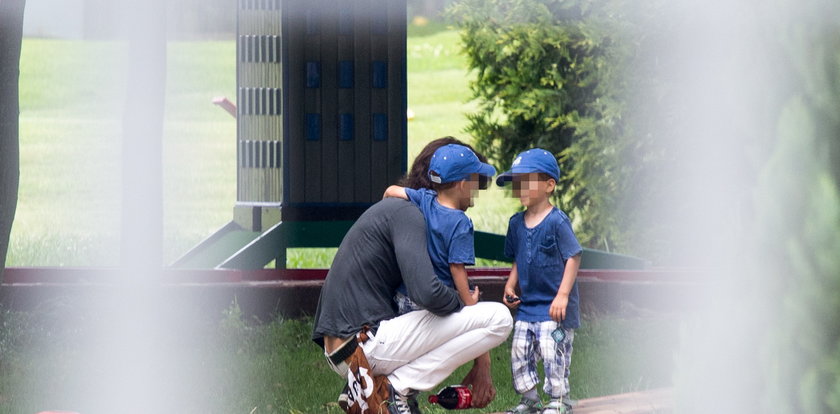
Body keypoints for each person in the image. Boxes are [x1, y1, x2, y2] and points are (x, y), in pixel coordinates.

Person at [312, 142, 513, 414]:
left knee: (447, 316)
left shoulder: (404, 209)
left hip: (348, 345)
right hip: (361, 344)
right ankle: (396, 389)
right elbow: (427, 293)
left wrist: (482, 360)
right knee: (498, 318)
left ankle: (394, 394)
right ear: (457, 184)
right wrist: (463, 302)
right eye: (473, 181)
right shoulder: (409, 216)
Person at [497, 149, 583, 414]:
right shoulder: (516, 223)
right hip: (528, 307)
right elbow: (518, 258)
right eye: (516, 182)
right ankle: (530, 399)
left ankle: (559, 400)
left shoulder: (557, 221)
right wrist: (511, 284)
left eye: (527, 181)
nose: (520, 187)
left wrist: (563, 296)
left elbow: (574, 257)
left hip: (554, 308)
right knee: (519, 352)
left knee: (552, 350)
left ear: (549, 185)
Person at [383, 143, 496, 312]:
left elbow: (391, 191)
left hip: (404, 296)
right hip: (433, 301)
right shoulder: (460, 223)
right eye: (475, 182)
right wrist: (469, 300)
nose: (476, 189)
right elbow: (456, 267)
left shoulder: (424, 199)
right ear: (464, 185)